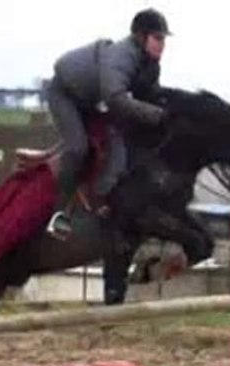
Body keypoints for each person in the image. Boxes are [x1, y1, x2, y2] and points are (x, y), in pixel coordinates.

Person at [44, 8, 171, 238]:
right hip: (65, 94)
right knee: (78, 148)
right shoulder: (121, 57)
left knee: (121, 139)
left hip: (93, 98)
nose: (162, 44)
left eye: (163, 39)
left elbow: (151, 96)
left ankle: (102, 197)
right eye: (158, 38)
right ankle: (58, 211)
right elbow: (116, 99)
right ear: (141, 37)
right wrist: (157, 115)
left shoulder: (150, 63)